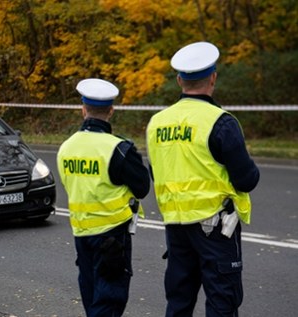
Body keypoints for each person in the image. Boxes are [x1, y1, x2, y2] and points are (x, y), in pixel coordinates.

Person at [146, 42, 260, 317]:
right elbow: (246, 180)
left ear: (178, 80)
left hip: (176, 227)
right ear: (213, 78)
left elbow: (156, 171)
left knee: (179, 302)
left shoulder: (157, 123)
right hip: (216, 228)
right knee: (222, 302)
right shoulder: (220, 121)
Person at [57, 78, 150, 317]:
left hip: (81, 234)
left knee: (92, 296)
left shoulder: (66, 147)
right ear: (111, 110)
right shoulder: (119, 148)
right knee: (110, 299)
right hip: (112, 235)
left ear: (83, 110)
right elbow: (142, 188)